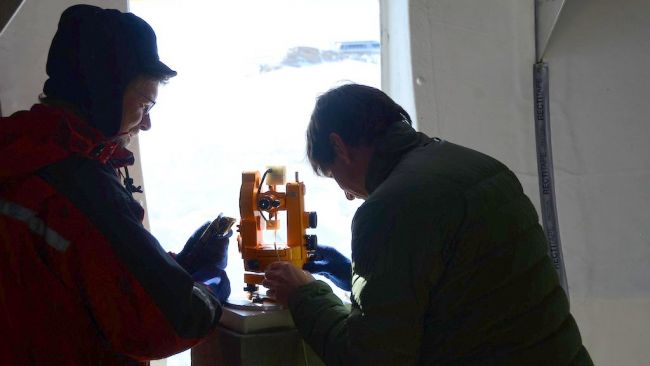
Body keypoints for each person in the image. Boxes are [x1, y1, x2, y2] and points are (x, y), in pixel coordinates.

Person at [263, 83, 594, 365]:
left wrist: (304, 293)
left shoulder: (391, 207)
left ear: (339, 147)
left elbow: (371, 357)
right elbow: (452, 290)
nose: (348, 195)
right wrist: (350, 272)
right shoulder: (475, 164)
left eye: (334, 175)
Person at [0, 5, 230, 365]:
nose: (147, 123)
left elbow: (89, 276)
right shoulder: (79, 186)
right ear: (103, 92)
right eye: (145, 102)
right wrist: (207, 278)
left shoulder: (20, 155)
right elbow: (174, 320)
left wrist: (172, 267)